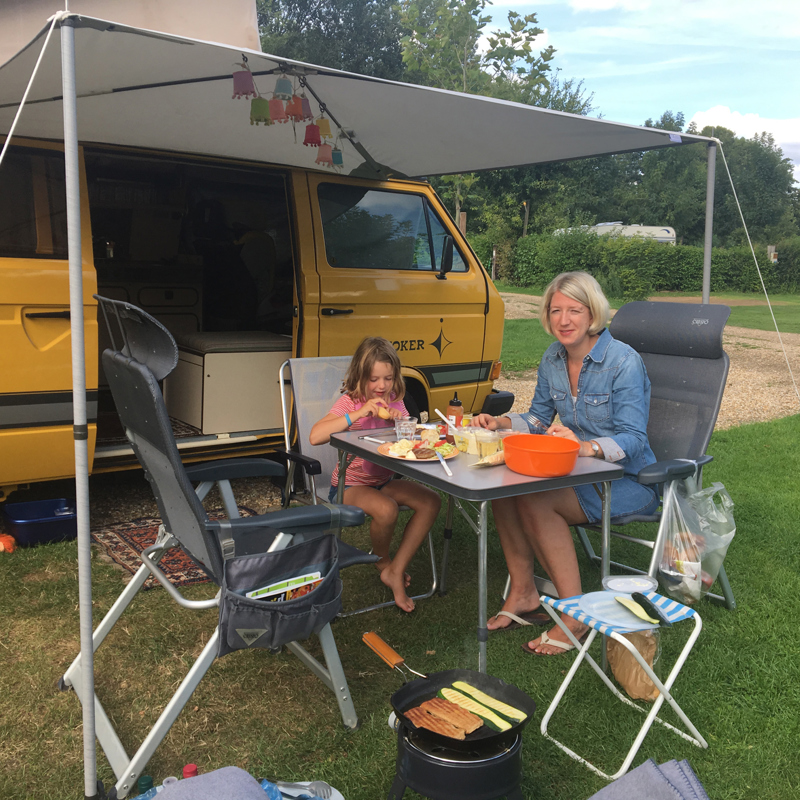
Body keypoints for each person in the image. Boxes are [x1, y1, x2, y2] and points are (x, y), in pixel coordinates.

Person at [476, 271, 658, 655]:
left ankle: (576, 617)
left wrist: (586, 447)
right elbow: (539, 419)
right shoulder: (553, 358)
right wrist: (502, 423)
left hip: (630, 481)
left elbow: (634, 438)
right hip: (578, 472)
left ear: (593, 313)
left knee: (538, 499)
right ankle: (524, 593)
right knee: (506, 489)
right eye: (555, 310)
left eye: (574, 310)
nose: (563, 320)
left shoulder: (624, 362)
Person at [310, 337, 441, 612]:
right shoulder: (351, 402)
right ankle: (382, 561)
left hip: (384, 481)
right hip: (349, 485)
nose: (381, 386)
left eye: (388, 378)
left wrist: (404, 423)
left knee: (431, 501)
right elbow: (315, 436)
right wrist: (357, 414)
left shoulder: (396, 400)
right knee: (386, 510)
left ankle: (396, 569)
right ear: (360, 377)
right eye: (374, 379)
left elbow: (410, 435)